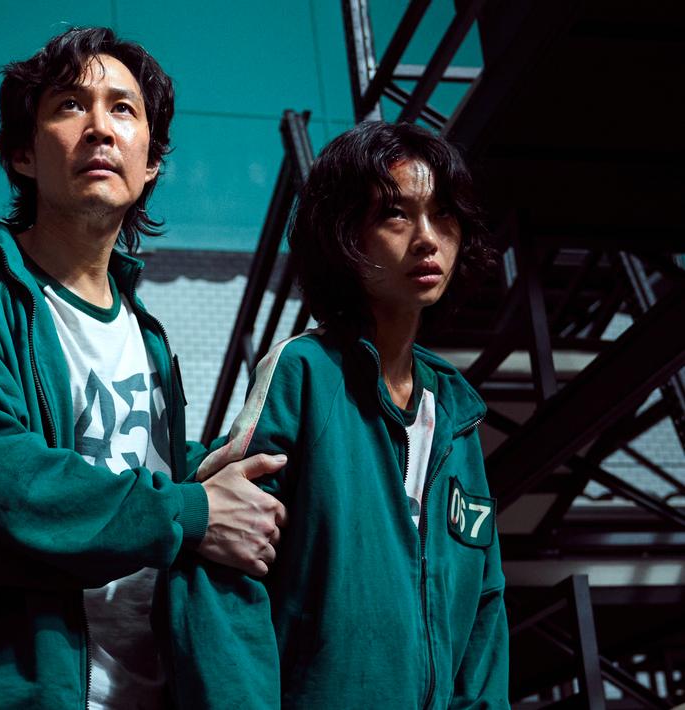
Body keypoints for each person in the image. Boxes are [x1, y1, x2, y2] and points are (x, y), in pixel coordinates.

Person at [0, 27, 289, 708]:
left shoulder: (148, 335)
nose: (101, 127)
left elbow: (136, 478)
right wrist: (191, 509)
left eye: (123, 109)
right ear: (22, 153)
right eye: (71, 105)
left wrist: (208, 472)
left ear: (151, 162)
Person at [170, 120, 508, 708]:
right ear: (345, 235)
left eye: (442, 215)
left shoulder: (458, 414)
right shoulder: (305, 374)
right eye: (395, 215)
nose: (427, 239)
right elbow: (225, 572)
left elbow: (485, 608)